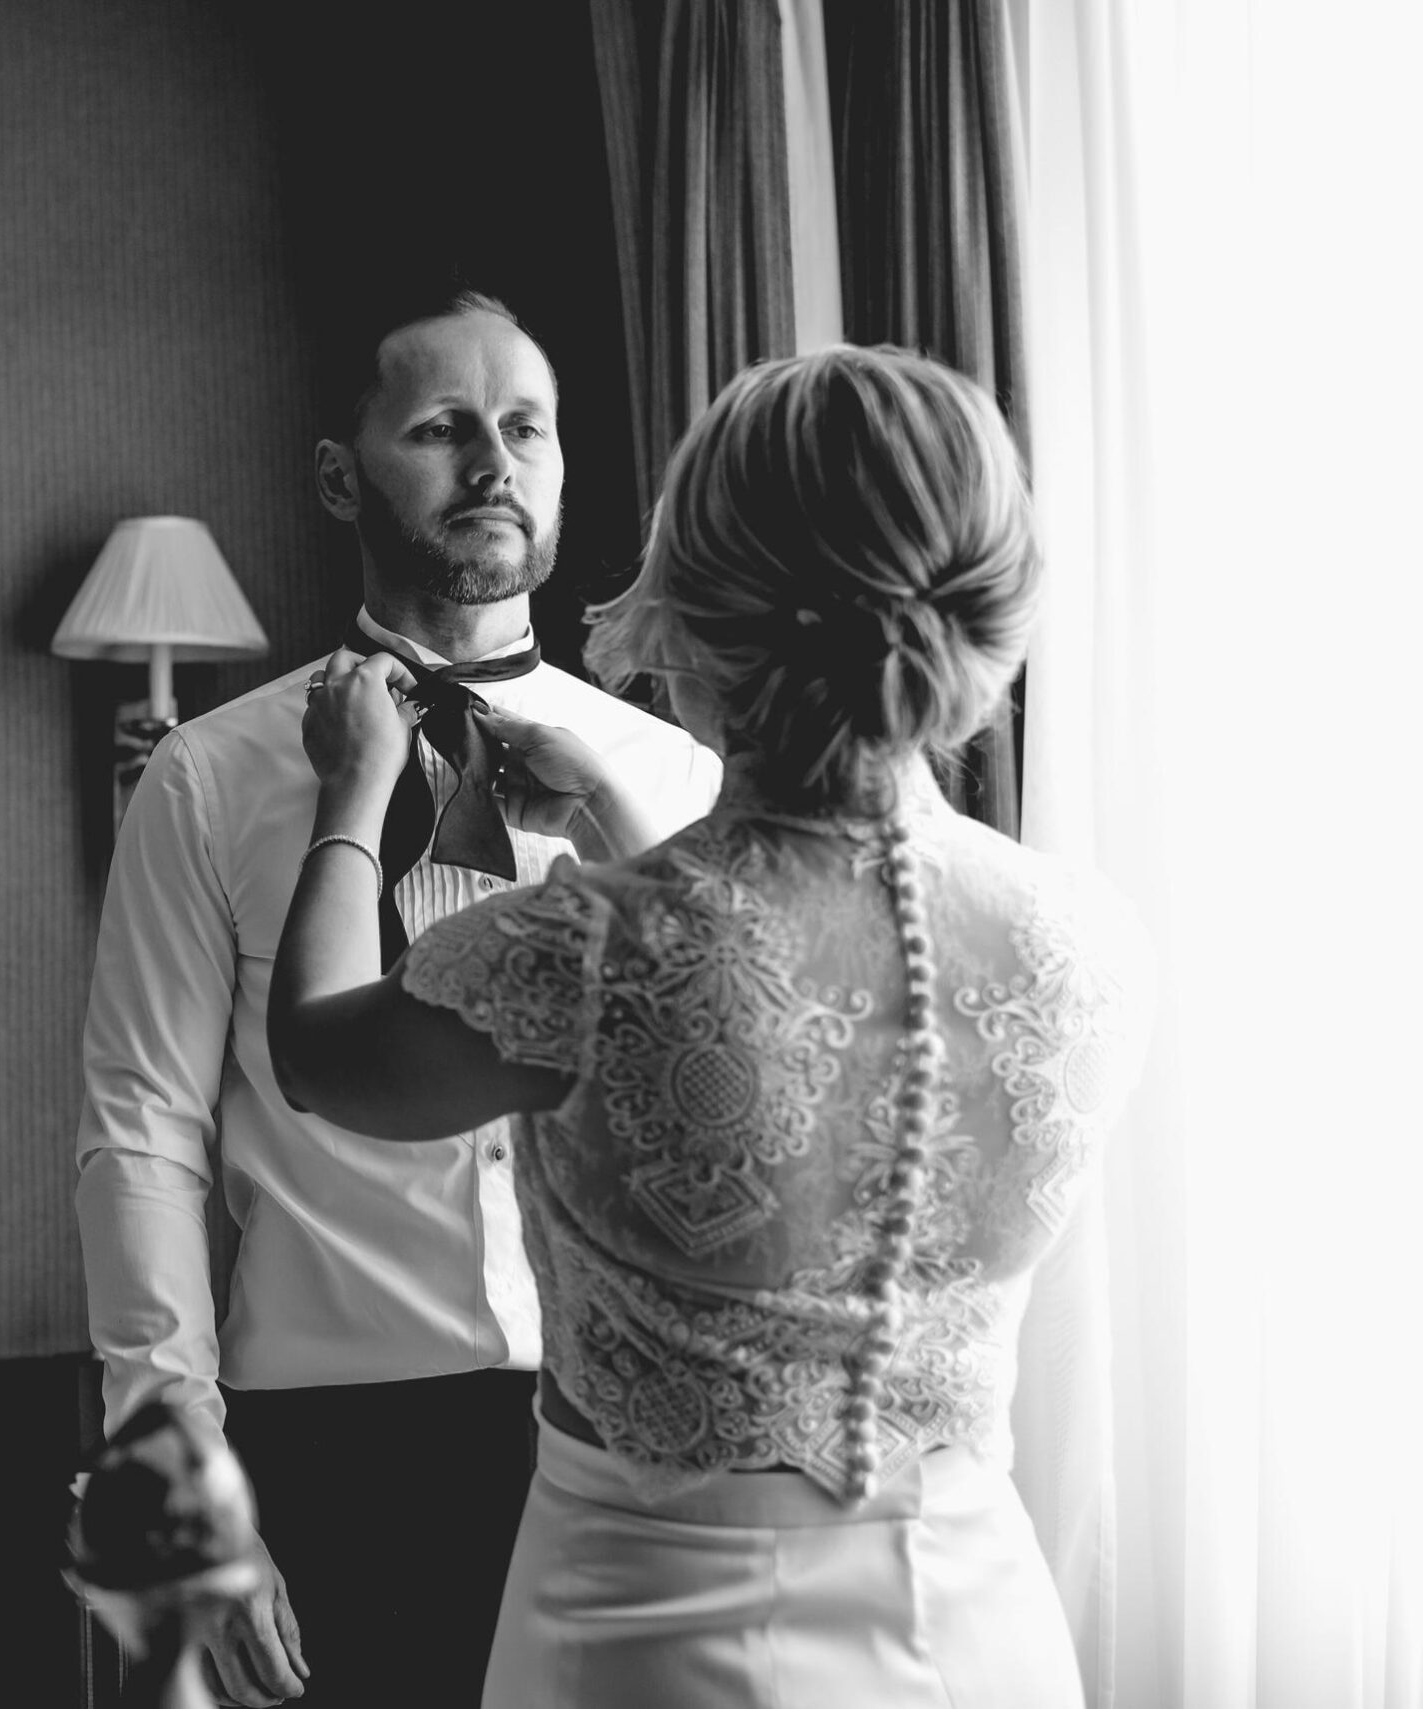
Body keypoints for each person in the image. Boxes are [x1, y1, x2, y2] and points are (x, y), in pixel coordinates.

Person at [267, 344, 1153, 1705]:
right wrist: (622, 815)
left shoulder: (595, 949)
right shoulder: (1080, 941)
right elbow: (795, 1000)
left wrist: (351, 791)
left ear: (701, 598)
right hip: (975, 1628)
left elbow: (322, 1049)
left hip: (656, 1638)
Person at [73, 289, 721, 1708]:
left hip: (621, 1453)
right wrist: (181, 1478)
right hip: (323, 1461)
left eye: (526, 427)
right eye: (441, 428)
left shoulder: (670, 784)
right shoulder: (205, 778)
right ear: (337, 475)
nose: (494, 462)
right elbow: (139, 1135)